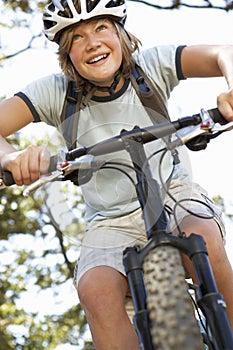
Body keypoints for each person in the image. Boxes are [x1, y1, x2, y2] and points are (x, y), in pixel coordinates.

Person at [0, 0, 233, 348]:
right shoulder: (55, 91)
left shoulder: (152, 66)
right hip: (109, 221)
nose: (92, 42)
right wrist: (13, 156)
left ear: (121, 34)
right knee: (96, 291)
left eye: (100, 28)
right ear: (67, 56)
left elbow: (222, 52)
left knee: (202, 240)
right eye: (76, 38)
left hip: (174, 191)